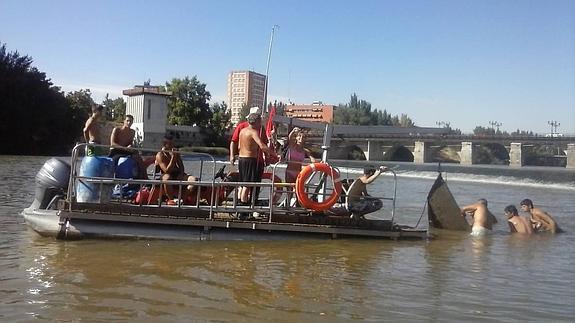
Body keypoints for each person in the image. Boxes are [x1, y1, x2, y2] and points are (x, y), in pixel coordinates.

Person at [237, 113, 277, 204]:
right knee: (247, 185)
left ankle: (240, 204)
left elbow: (239, 146)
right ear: (257, 122)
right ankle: (243, 208)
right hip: (250, 159)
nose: (261, 124)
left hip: (241, 159)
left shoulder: (242, 131)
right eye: (260, 121)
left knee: (242, 184)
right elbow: (262, 146)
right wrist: (274, 154)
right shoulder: (253, 132)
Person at [155, 135, 196, 202]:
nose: (172, 146)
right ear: (165, 144)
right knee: (167, 178)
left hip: (176, 173)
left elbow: (181, 166)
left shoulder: (175, 152)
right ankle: (171, 200)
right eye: (170, 144)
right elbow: (167, 170)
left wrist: (181, 173)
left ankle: (182, 199)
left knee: (194, 180)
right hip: (166, 174)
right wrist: (173, 158)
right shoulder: (160, 155)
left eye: (173, 144)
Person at [284, 127, 317, 205]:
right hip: (289, 172)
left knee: (298, 192)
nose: (301, 138)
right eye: (300, 136)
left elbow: (312, 159)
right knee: (289, 192)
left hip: (298, 173)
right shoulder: (292, 146)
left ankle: (298, 208)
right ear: (297, 137)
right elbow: (290, 137)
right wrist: (293, 131)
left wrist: (317, 163)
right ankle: (288, 208)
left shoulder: (305, 151)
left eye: (303, 137)